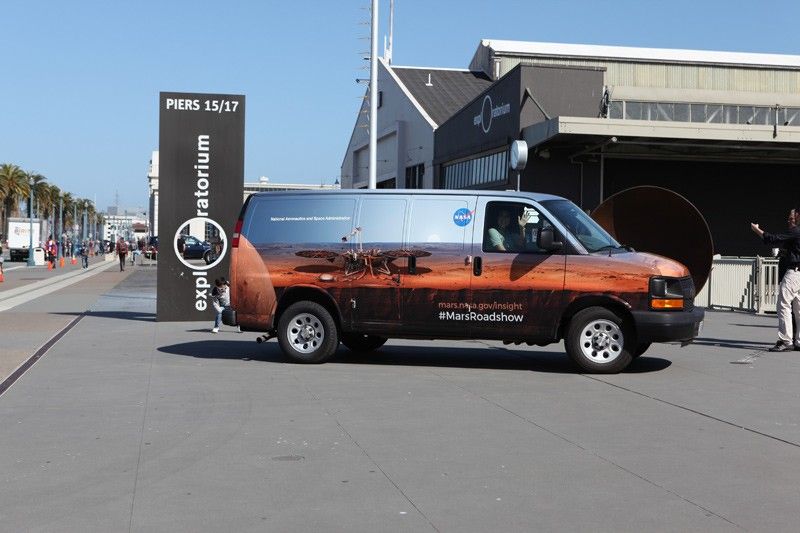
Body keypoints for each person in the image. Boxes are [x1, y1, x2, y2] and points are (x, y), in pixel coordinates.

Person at [751, 206, 800, 352]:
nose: (789, 221)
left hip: (794, 273)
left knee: (783, 305)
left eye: (791, 218)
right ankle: (798, 341)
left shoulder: (796, 232)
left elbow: (772, 238)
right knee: (798, 308)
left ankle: (786, 340)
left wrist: (757, 230)